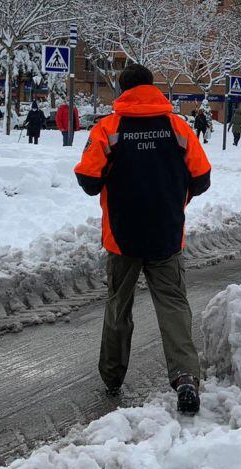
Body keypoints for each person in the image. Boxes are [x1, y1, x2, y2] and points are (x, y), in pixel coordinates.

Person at [73, 64, 211, 416]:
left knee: (119, 305)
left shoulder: (108, 128)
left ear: (122, 90)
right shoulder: (178, 127)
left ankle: (112, 377)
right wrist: (176, 197)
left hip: (122, 236)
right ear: (152, 88)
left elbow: (89, 181)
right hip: (166, 233)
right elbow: (202, 177)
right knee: (173, 305)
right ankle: (185, 379)